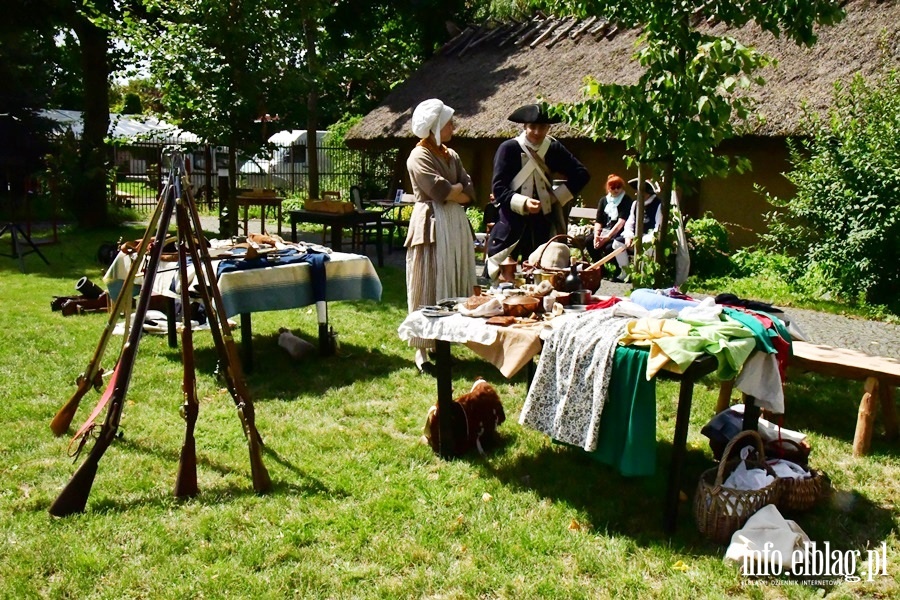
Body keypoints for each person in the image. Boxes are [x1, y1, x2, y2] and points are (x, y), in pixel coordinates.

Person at [404, 98, 477, 373]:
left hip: (454, 224)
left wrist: (454, 189)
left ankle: (442, 343)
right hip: (431, 225)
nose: (453, 128)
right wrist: (454, 190)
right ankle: (421, 350)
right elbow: (439, 191)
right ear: (435, 126)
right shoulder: (419, 156)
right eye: (448, 124)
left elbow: (470, 192)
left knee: (452, 281)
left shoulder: (451, 155)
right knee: (427, 283)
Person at [486, 104, 590, 281]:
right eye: (532, 127)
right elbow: (498, 188)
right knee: (498, 278)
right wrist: (523, 203)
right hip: (510, 223)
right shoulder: (508, 148)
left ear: (548, 128)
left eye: (542, 127)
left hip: (541, 224)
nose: (536, 132)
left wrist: (554, 197)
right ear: (524, 127)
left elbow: (582, 174)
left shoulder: (554, 149)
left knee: (540, 278)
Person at [612, 179, 663, 280]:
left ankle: (644, 275)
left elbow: (658, 227)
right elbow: (630, 223)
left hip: (650, 238)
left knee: (647, 244)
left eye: (640, 191)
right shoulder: (635, 204)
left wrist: (643, 240)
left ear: (648, 192)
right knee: (617, 243)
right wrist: (628, 236)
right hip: (636, 236)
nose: (636, 193)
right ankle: (625, 273)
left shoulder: (658, 205)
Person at [587, 174, 633, 279]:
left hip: (618, 232)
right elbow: (598, 220)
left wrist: (607, 237)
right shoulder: (603, 200)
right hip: (605, 231)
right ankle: (601, 269)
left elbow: (621, 222)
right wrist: (596, 236)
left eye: (619, 187)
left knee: (609, 247)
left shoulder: (626, 200)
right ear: (608, 188)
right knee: (589, 241)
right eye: (613, 187)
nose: (616, 190)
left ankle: (618, 270)